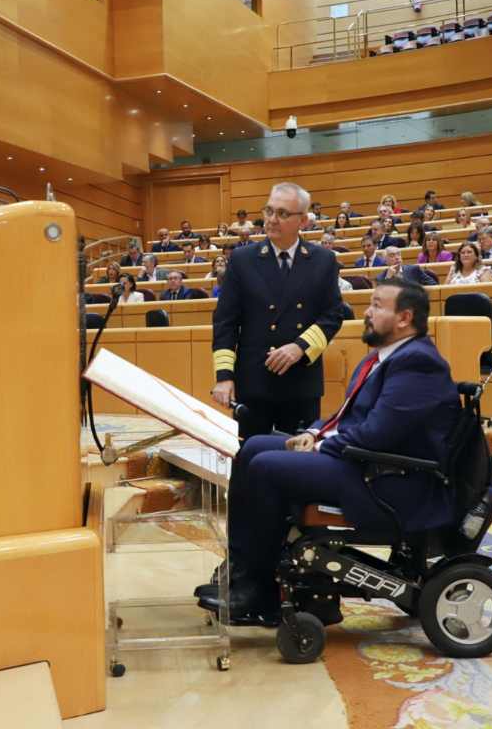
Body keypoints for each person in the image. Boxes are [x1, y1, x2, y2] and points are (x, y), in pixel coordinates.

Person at [196, 280, 459, 623]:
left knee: (265, 467)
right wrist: (311, 432)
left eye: (378, 305)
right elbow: (349, 418)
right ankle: (245, 568)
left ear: (404, 318)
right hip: (365, 462)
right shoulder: (387, 356)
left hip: (388, 480)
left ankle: (261, 593)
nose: (367, 311)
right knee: (254, 446)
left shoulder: (418, 363)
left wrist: (320, 446)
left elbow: (378, 434)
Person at [211, 182, 345, 441]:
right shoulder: (242, 259)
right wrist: (224, 377)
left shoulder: (322, 260)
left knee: (298, 468)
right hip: (254, 383)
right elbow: (225, 322)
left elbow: (333, 314)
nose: (272, 220)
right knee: (250, 463)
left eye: (283, 214)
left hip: (301, 383)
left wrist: (300, 347)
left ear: (303, 220)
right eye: (269, 211)